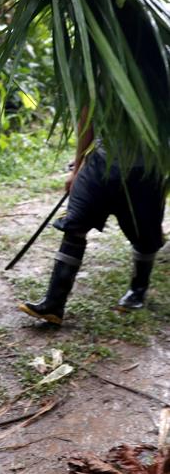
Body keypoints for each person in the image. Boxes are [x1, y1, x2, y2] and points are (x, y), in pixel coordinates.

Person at [19, 108, 166, 324]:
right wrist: (76, 169)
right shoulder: (99, 74)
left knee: (144, 236)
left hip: (145, 172)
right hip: (100, 165)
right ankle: (53, 304)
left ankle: (137, 291)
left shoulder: (160, 78)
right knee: (75, 225)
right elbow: (86, 119)